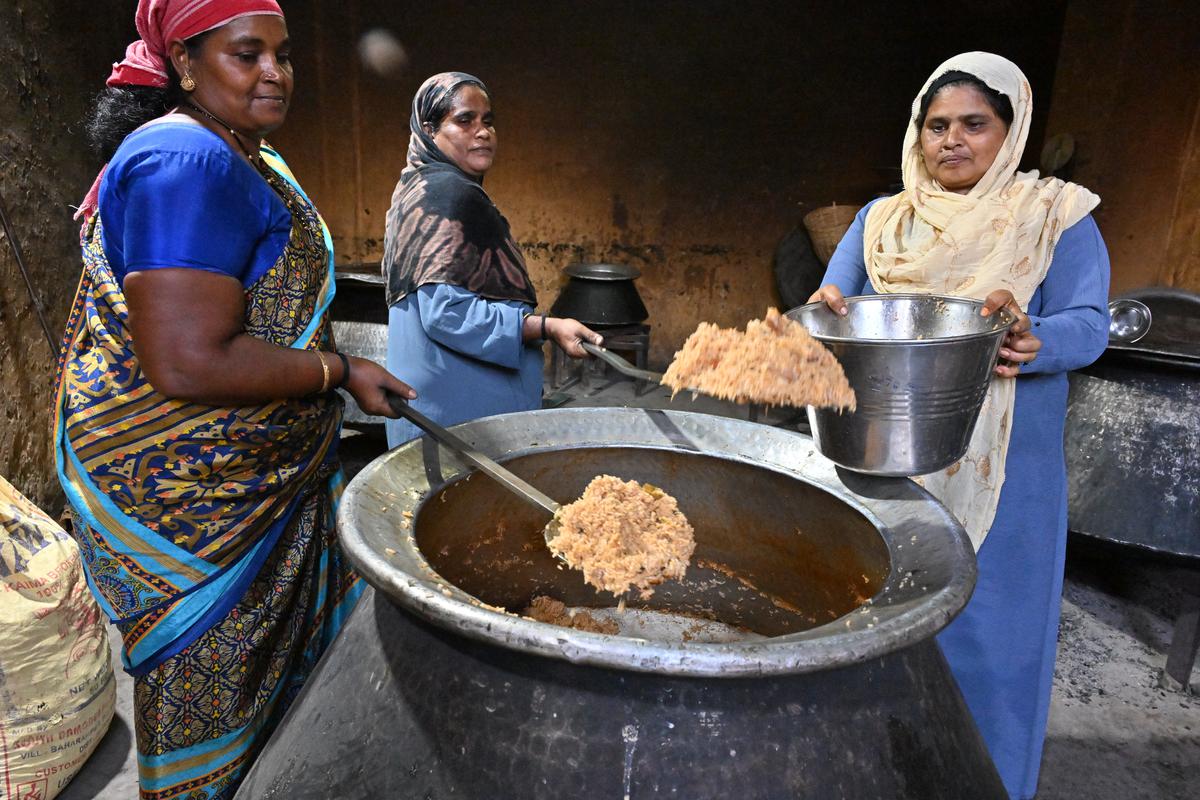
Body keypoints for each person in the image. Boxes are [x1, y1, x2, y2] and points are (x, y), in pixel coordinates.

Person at [56, 2, 414, 797]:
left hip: (254, 478)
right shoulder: (186, 159)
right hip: (199, 508)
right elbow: (186, 363)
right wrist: (333, 371)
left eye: (282, 56)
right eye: (246, 54)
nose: (274, 73)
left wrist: (348, 375)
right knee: (216, 688)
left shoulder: (239, 153)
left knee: (280, 697)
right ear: (183, 61)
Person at [809, 52, 1109, 799]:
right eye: (936, 125)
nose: (952, 141)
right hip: (885, 452)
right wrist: (824, 309)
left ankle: (991, 782)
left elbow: (1089, 325)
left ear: (1010, 133)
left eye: (975, 124)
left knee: (995, 641)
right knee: (880, 618)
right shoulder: (883, 221)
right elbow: (830, 300)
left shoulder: (1054, 217)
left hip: (1008, 470)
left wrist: (1039, 338)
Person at [382, 72, 601, 446]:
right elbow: (447, 314)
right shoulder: (449, 196)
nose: (482, 132)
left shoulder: (414, 186)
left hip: (426, 401)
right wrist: (547, 327)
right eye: (464, 120)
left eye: (488, 121)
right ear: (429, 129)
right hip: (462, 413)